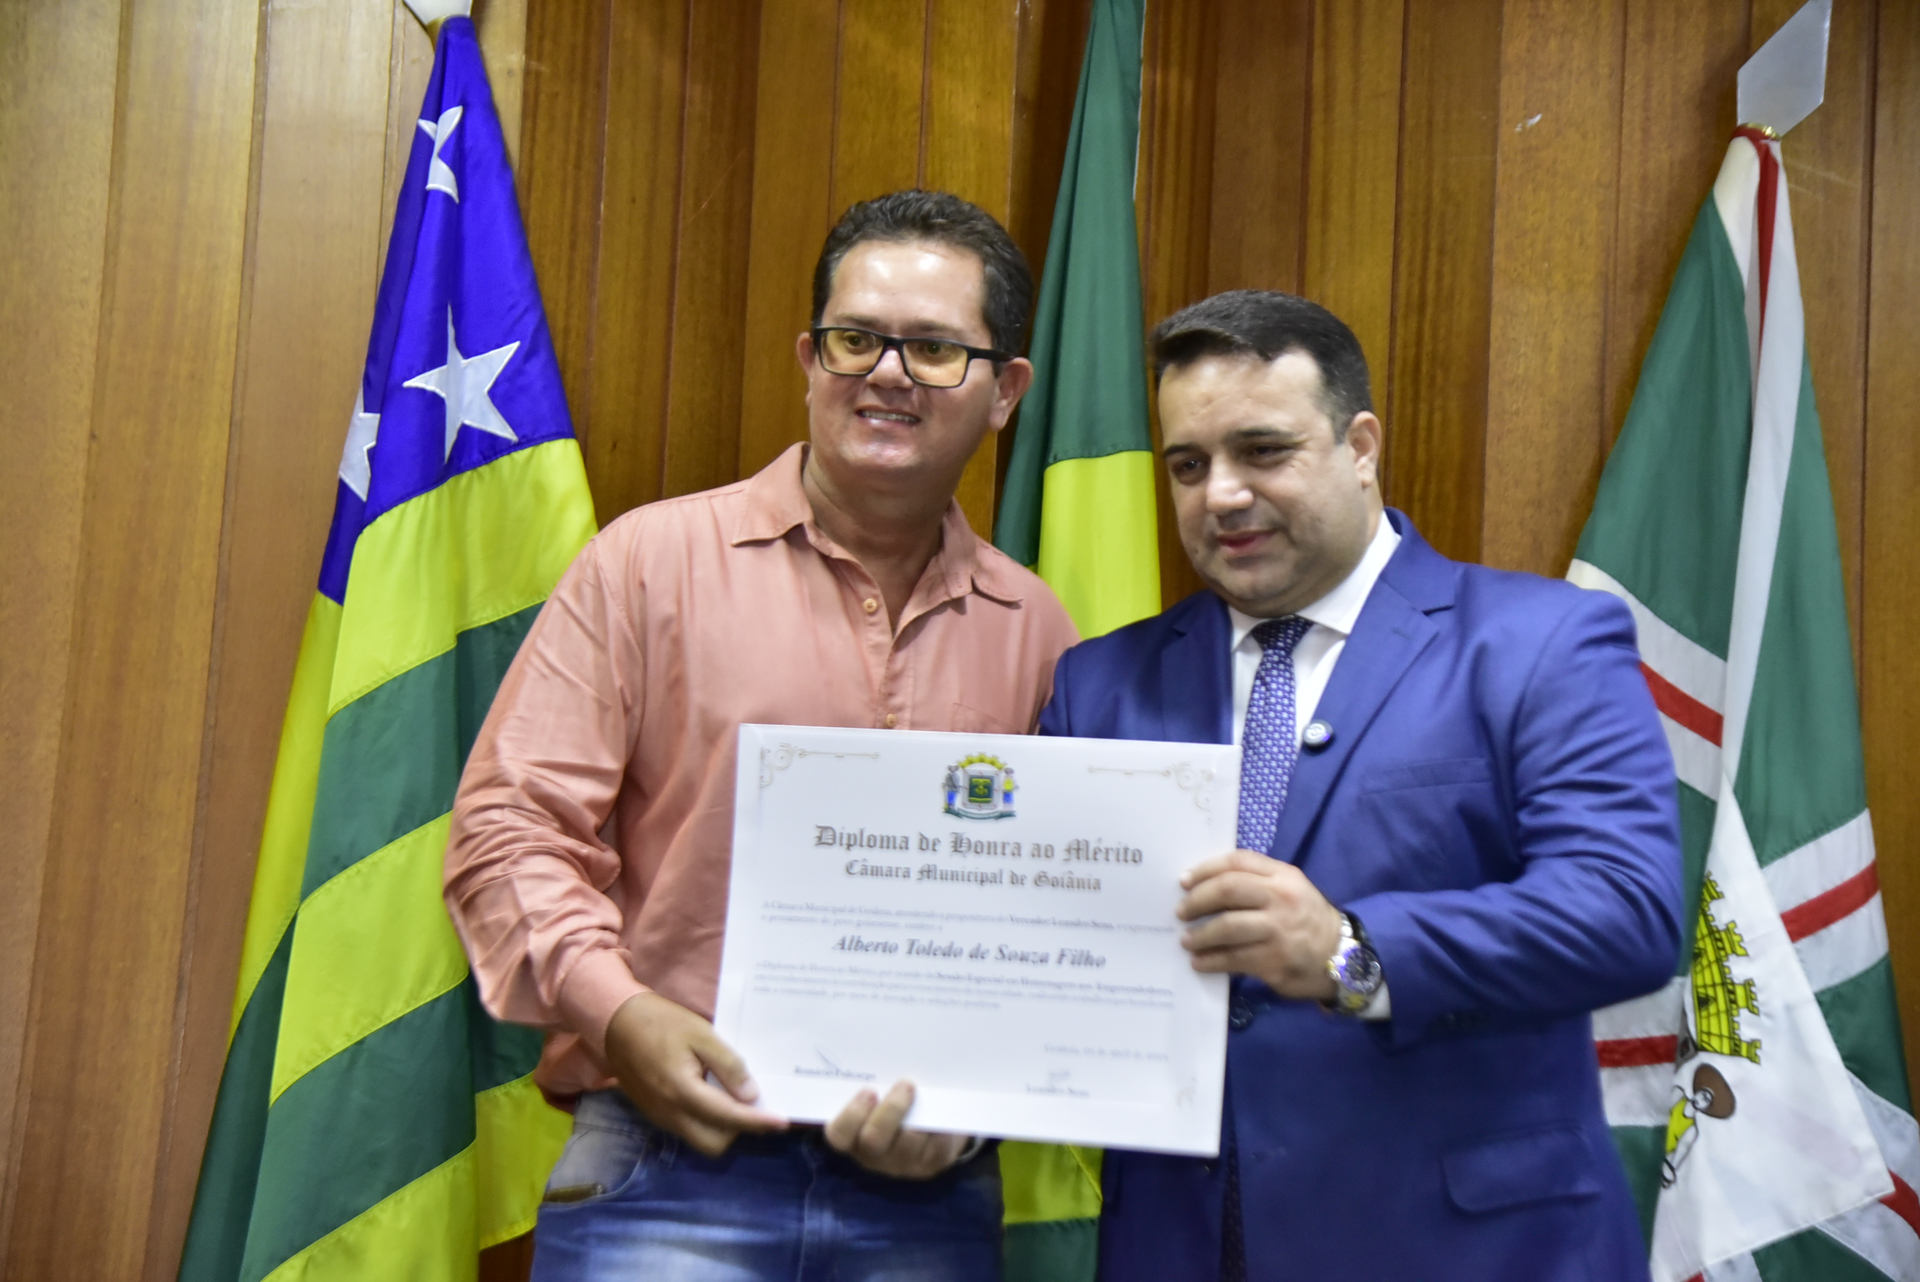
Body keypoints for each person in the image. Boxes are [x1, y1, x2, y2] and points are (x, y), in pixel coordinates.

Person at [445, 190, 1079, 1281]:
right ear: (809, 358)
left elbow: (1058, 915)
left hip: (928, 1201)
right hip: (665, 1168)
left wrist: (976, 1107)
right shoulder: (648, 564)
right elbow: (508, 829)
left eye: (934, 349)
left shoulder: (1040, 631)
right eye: (855, 338)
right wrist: (619, 1013)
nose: (887, 372)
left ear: (1005, 391)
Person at [1038, 289, 1683, 1281]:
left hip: (1464, 1250)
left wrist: (1352, 952)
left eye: (1262, 450)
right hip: (1181, 1247)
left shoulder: (1539, 641)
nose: (1221, 495)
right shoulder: (1100, 682)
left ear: (1362, 446)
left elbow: (1625, 913)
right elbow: (1043, 950)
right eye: (1188, 465)